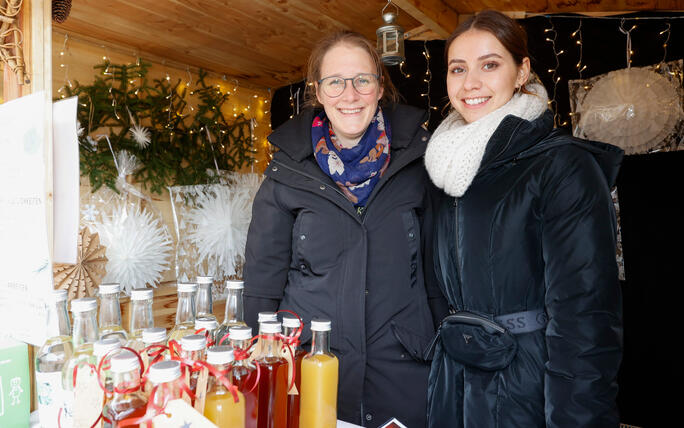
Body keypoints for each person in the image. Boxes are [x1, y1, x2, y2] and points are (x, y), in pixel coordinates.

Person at [424, 10, 623, 428]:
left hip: (528, 393)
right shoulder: (444, 167)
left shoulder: (562, 166)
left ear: (521, 72)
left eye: (490, 65)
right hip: (453, 388)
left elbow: (585, 319)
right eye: (457, 69)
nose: (470, 83)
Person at [243, 30, 447, 427]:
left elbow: (436, 276)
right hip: (309, 369)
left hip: (405, 373)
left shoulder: (420, 162)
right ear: (318, 91)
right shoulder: (287, 172)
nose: (349, 94)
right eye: (335, 82)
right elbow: (262, 283)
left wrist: (444, 352)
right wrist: (259, 372)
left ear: (379, 86)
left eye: (362, 80)